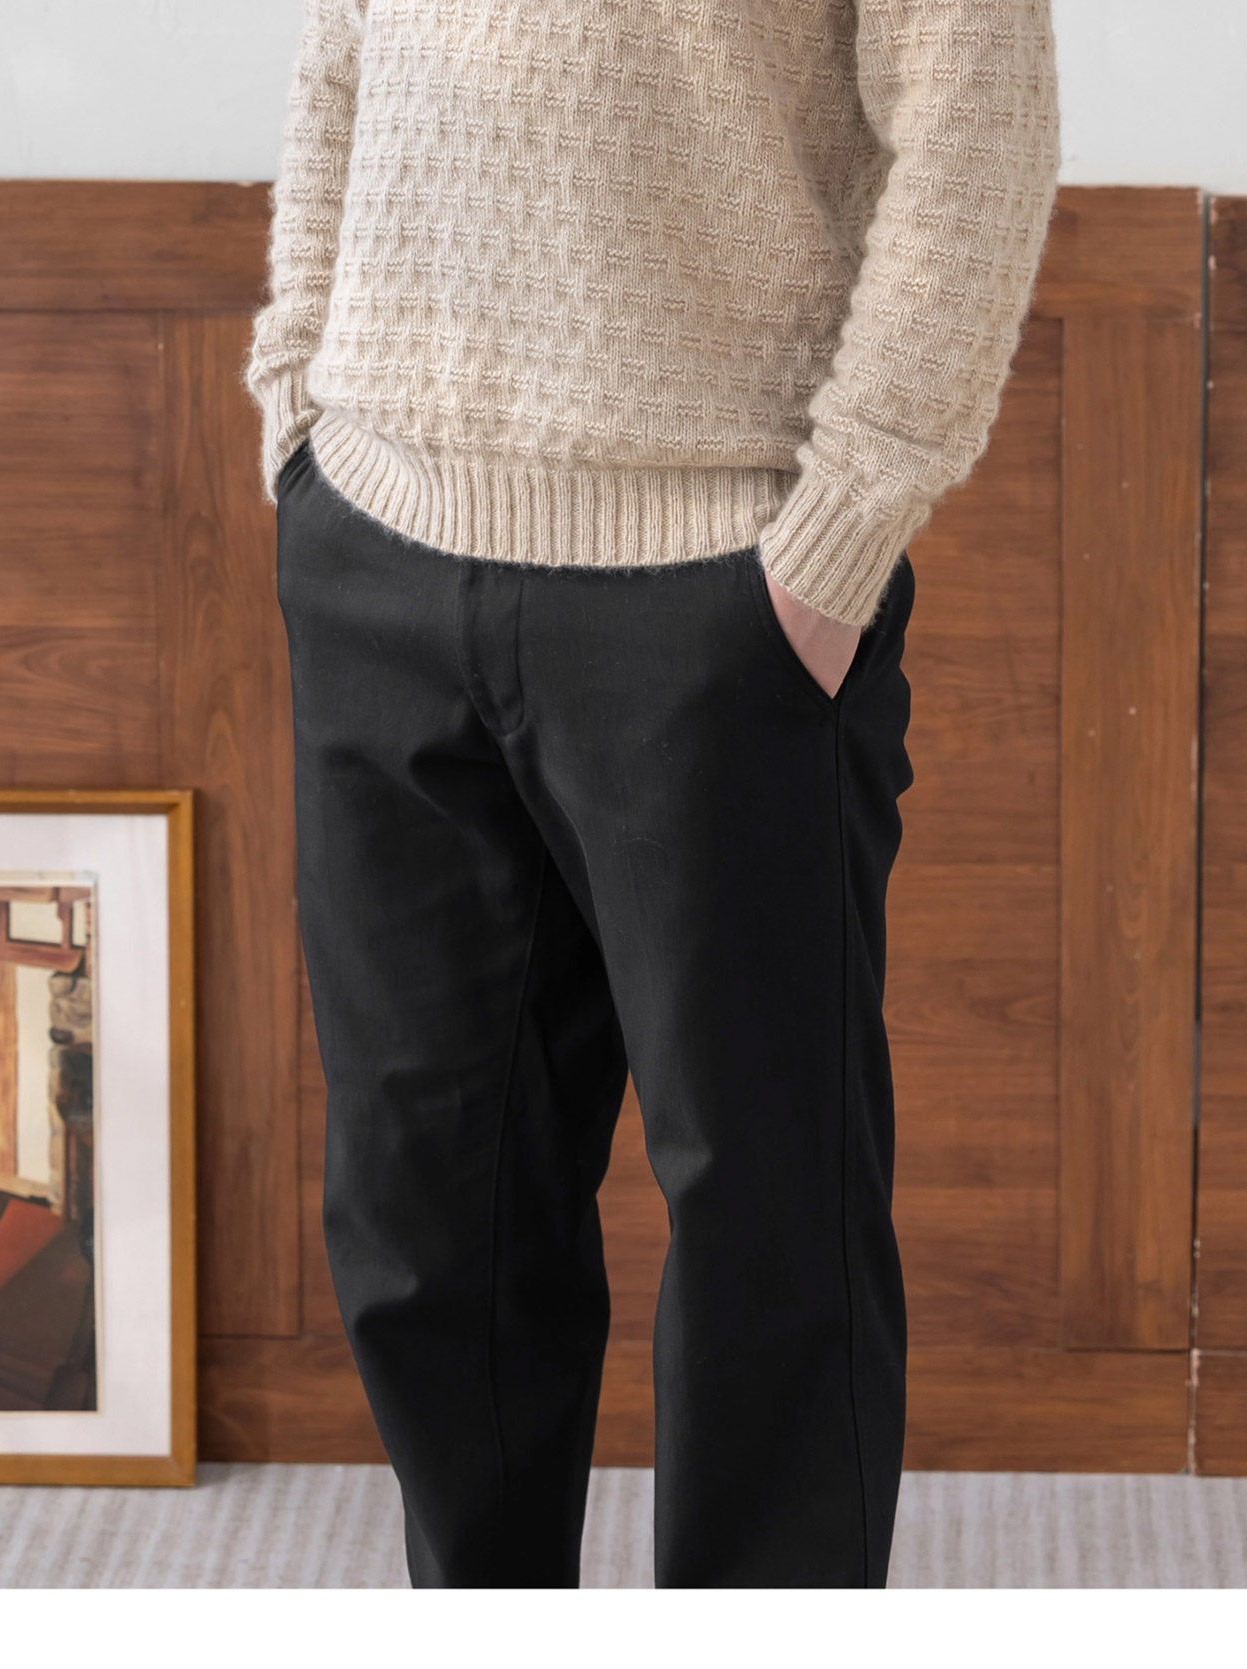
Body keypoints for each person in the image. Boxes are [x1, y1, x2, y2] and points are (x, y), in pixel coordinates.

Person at [245, 1, 1060, 1589]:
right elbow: (342, 51)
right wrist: (301, 400)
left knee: (770, 1227)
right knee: (425, 1215)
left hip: (716, 591)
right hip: (380, 555)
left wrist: (843, 526)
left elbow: (978, 122)